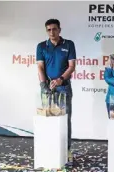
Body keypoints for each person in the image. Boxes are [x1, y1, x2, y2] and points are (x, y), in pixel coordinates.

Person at [36, 19, 76, 164]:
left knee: (65, 120)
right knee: (48, 120)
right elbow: (40, 67)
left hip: (63, 86)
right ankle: (50, 150)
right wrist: (43, 85)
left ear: (59, 30)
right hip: (48, 88)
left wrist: (60, 79)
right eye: (49, 30)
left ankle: (67, 151)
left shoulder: (69, 44)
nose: (52, 32)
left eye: (54, 29)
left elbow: (71, 66)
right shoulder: (41, 46)